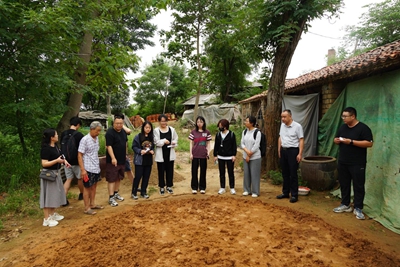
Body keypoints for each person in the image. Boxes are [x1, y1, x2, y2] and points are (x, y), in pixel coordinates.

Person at [333, 107, 373, 220]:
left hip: (357, 163)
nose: (343, 118)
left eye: (345, 116)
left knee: (358, 185)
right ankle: (345, 204)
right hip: (343, 161)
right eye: (342, 116)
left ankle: (358, 207)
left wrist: (350, 142)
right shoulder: (343, 127)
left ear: (353, 116)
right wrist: (336, 141)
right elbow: (336, 138)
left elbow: (369, 143)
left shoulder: (363, 128)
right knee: (344, 184)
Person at [40, 128, 67, 227]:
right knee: (47, 196)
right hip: (49, 175)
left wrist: (65, 161)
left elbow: (61, 157)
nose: (57, 136)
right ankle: (46, 219)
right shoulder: (46, 148)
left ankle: (52, 214)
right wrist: (56, 161)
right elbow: (44, 163)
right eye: (56, 134)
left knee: (54, 194)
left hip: (56, 173)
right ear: (51, 137)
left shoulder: (55, 146)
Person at [277, 109, 304, 203]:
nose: (282, 119)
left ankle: (294, 195)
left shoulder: (297, 126)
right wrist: (279, 149)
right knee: (285, 173)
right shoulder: (282, 126)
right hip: (284, 150)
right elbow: (280, 137)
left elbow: (301, 140)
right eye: (281, 117)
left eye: (284, 117)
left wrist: (300, 153)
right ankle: (285, 192)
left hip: (293, 151)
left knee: (293, 173)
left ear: (290, 116)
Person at [77, 121, 103, 215]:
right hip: (87, 168)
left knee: (94, 186)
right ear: (91, 129)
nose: (98, 133)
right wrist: (83, 170)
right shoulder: (85, 140)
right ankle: (86, 208)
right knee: (87, 188)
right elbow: (79, 155)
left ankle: (92, 204)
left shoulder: (96, 139)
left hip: (95, 167)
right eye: (97, 131)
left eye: (99, 131)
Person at [60, 117, 84, 206]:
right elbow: (82, 150)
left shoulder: (63, 134)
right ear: (78, 125)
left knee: (68, 179)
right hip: (76, 161)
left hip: (66, 161)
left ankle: (63, 199)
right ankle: (81, 194)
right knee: (80, 178)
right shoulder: (79, 135)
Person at [105, 114, 128, 207]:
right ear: (113, 123)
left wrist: (125, 154)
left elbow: (125, 143)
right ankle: (111, 197)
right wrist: (113, 158)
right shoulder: (110, 132)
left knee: (119, 177)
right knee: (112, 178)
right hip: (113, 161)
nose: (119, 125)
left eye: (121, 123)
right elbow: (108, 146)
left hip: (122, 159)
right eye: (117, 123)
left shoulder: (123, 131)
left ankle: (116, 193)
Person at [154, 114, 178, 195]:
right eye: (161, 121)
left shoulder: (172, 129)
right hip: (161, 153)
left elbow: (175, 138)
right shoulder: (156, 131)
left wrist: (174, 142)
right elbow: (156, 142)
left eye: (165, 121)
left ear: (167, 121)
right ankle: (161, 187)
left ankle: (169, 186)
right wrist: (164, 141)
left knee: (170, 170)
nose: (163, 123)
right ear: (159, 122)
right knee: (161, 171)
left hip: (169, 152)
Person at [131, 121, 155, 199]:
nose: (148, 129)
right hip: (140, 160)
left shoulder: (152, 137)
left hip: (148, 160)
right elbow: (134, 147)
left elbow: (153, 147)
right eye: (146, 127)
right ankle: (134, 192)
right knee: (138, 176)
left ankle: (143, 192)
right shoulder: (138, 137)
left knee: (146, 177)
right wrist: (140, 151)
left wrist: (152, 151)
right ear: (143, 128)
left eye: (149, 128)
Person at [213, 119, 237, 195]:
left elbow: (234, 146)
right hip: (220, 157)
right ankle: (222, 187)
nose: (219, 127)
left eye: (221, 126)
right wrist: (215, 155)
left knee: (231, 172)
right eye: (219, 126)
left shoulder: (232, 134)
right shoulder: (218, 135)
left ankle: (232, 187)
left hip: (229, 157)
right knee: (221, 173)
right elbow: (216, 145)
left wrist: (234, 155)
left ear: (225, 126)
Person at [189, 116, 212, 194]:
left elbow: (208, 143)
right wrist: (191, 153)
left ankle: (202, 187)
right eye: (198, 122)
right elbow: (191, 143)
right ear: (196, 123)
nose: (199, 123)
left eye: (201, 122)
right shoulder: (193, 132)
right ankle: (194, 187)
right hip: (195, 154)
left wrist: (208, 152)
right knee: (194, 171)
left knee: (203, 171)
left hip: (203, 155)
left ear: (204, 123)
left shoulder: (207, 132)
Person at [241, 115, 262, 198]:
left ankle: (255, 191)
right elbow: (242, 143)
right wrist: (246, 151)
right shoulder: (244, 132)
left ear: (252, 123)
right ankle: (246, 190)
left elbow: (256, 145)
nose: (245, 122)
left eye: (247, 121)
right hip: (245, 156)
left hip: (255, 157)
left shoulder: (257, 132)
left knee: (255, 174)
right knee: (246, 173)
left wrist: (250, 154)